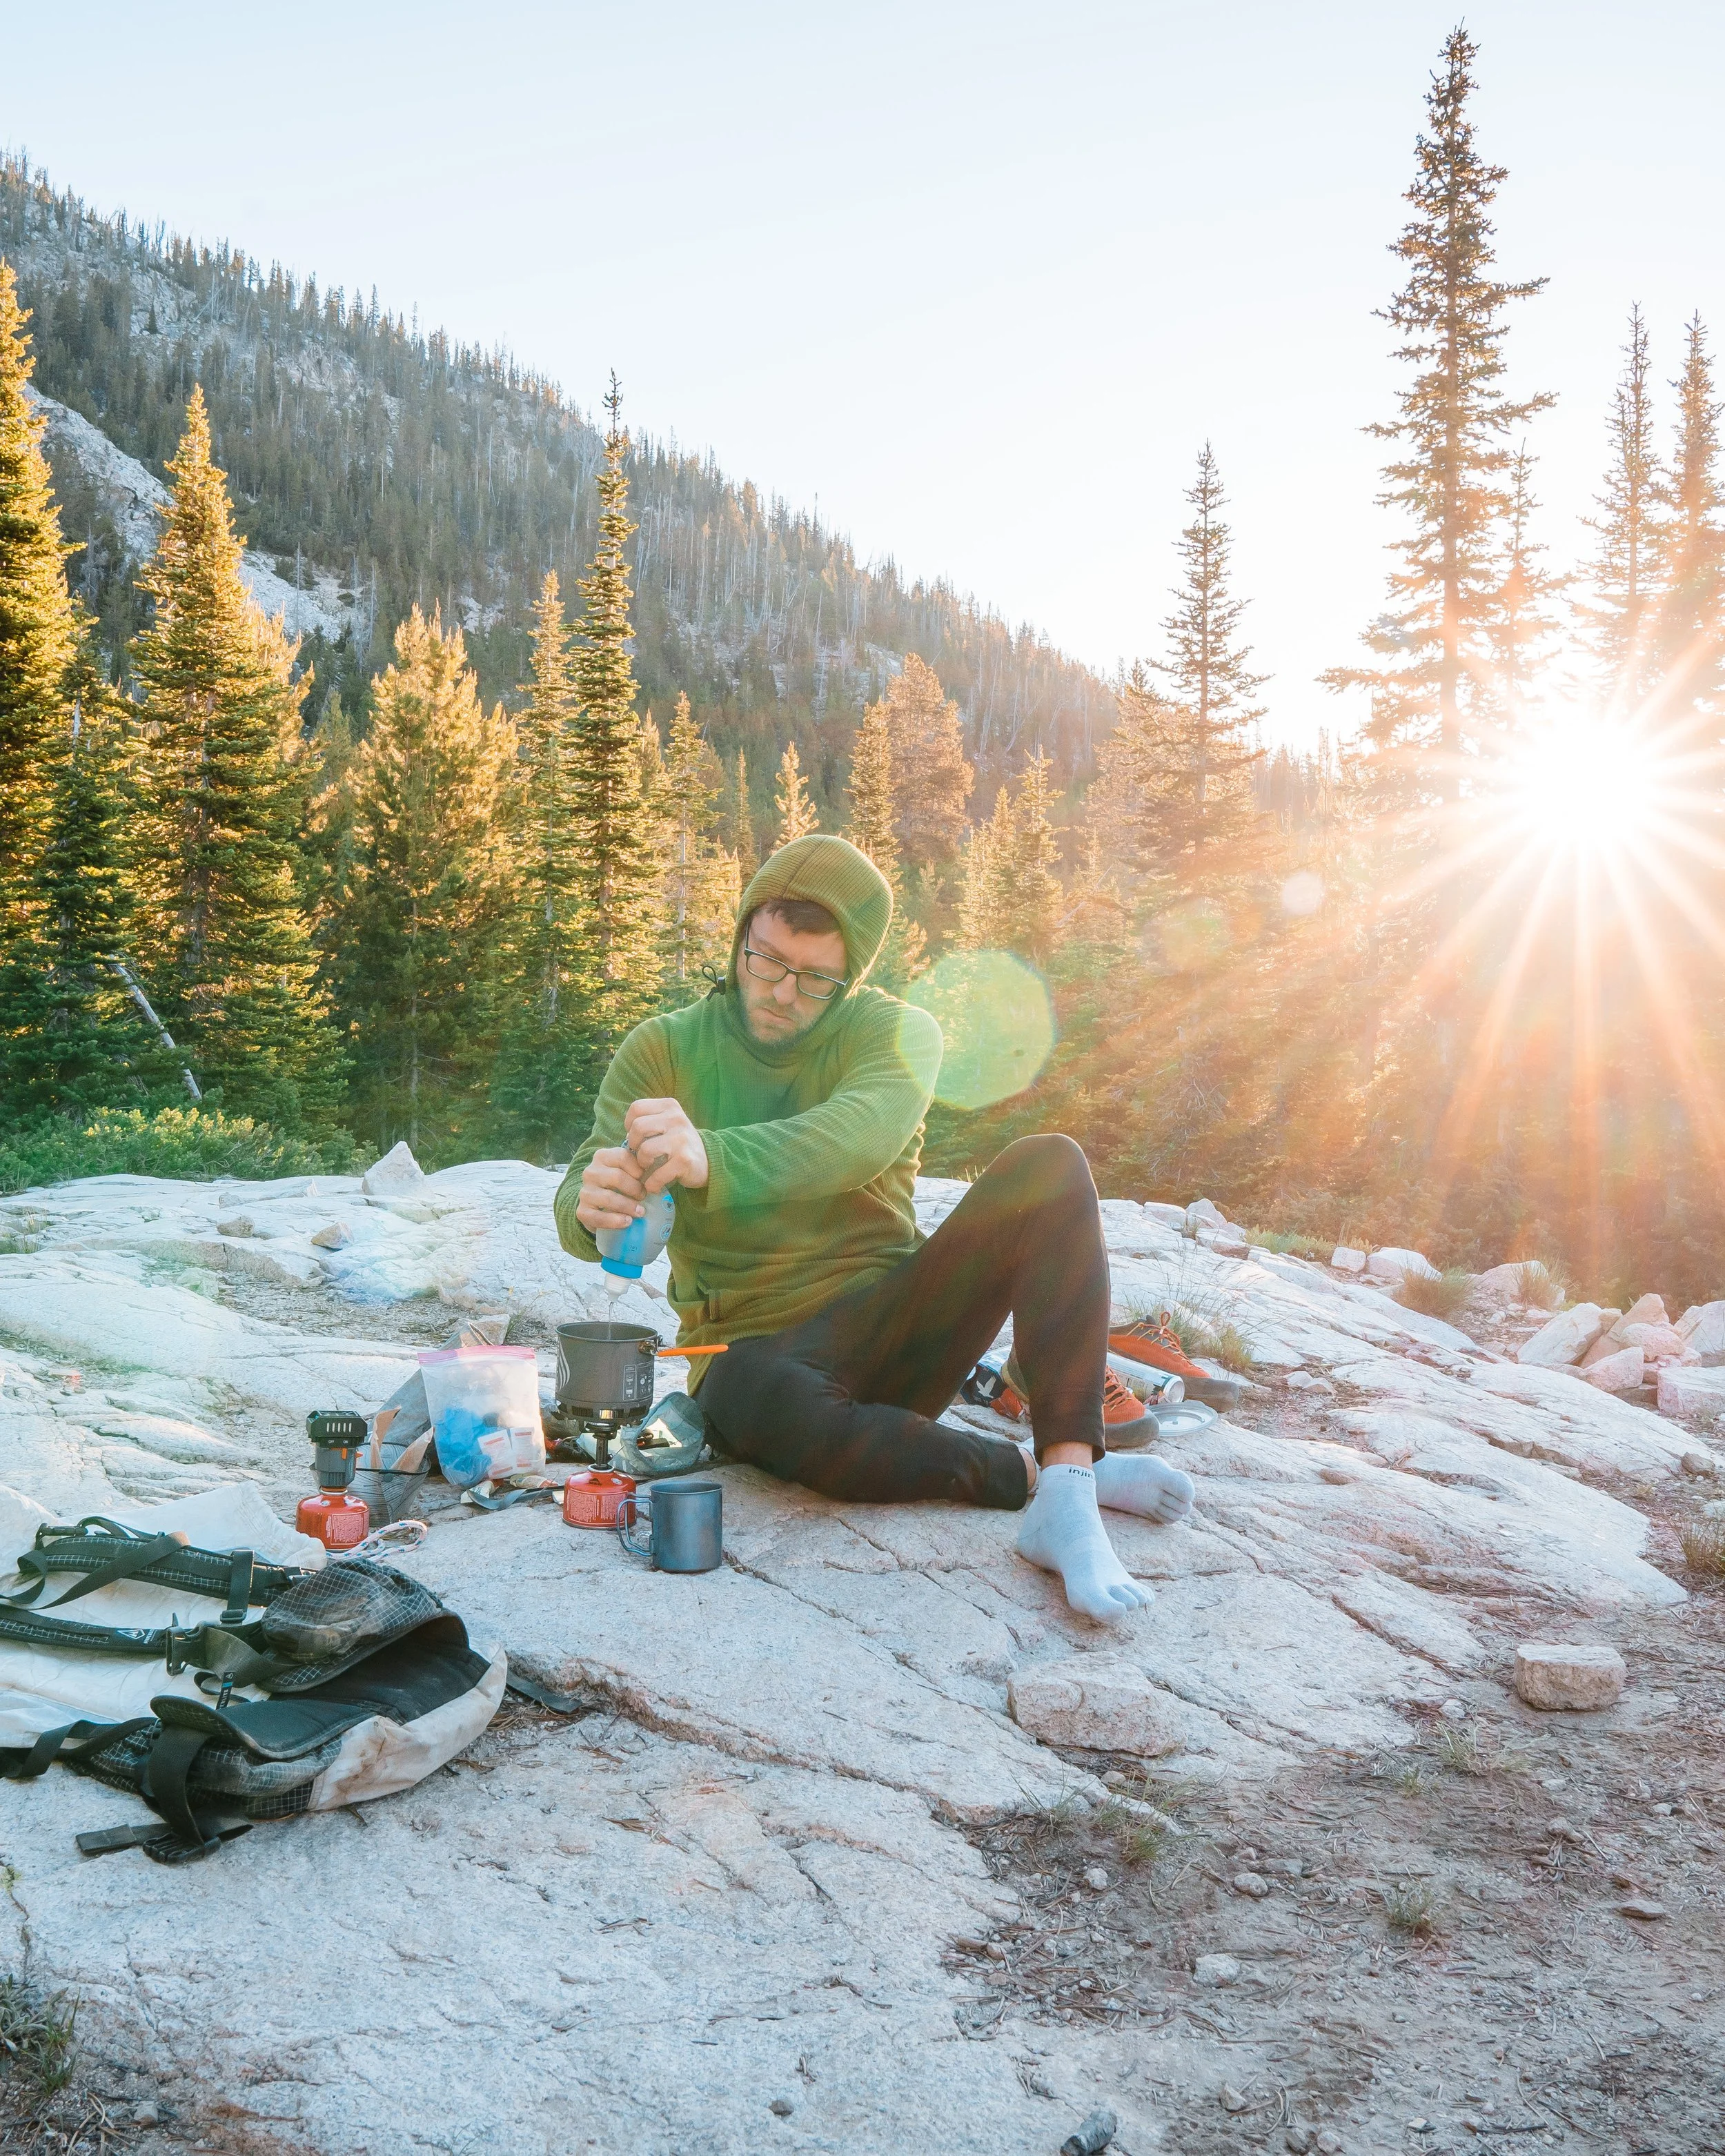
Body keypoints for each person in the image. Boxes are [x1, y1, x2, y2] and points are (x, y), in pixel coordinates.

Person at [554, 833, 1193, 1622]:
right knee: (765, 1396)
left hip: (893, 1324)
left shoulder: (896, 1034)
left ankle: (1068, 1488)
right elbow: (587, 1183)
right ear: (739, 939)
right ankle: (1032, 1478)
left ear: (851, 976)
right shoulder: (664, 1047)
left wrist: (709, 1157)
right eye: (765, 960)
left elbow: (849, 1140)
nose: (782, 992)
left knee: (1049, 1165)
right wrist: (589, 1208)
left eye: (815, 978)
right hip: (752, 1350)